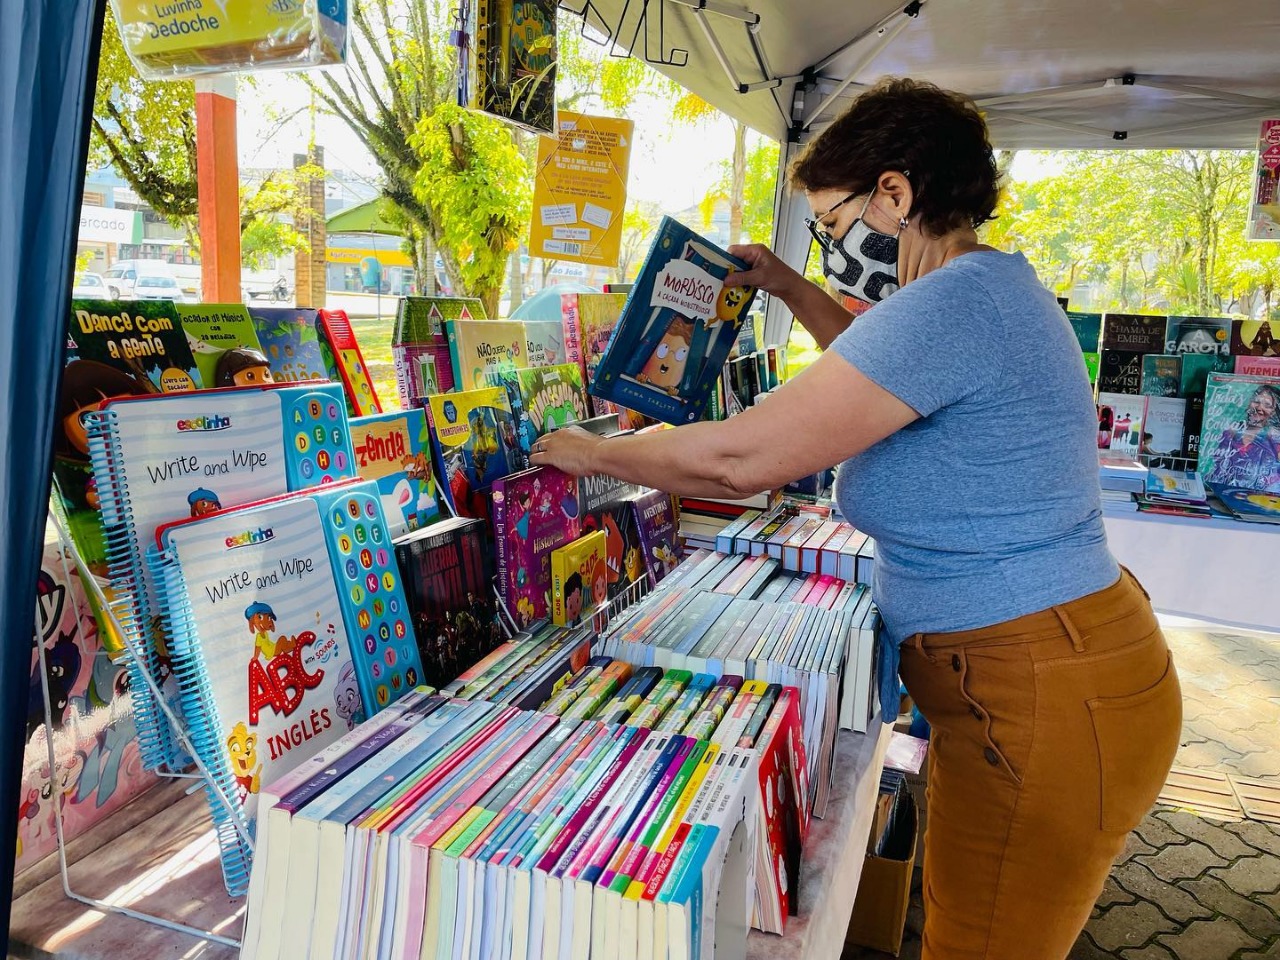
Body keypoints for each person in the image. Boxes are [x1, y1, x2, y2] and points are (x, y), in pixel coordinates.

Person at [532, 78, 1182, 960]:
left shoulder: (954, 304)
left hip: (1042, 691)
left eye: (834, 228)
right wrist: (790, 286)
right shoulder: (975, 294)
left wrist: (594, 451)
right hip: (1043, 671)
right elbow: (873, 364)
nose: (835, 250)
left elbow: (739, 458)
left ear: (894, 193)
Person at [1204, 383, 1280, 492]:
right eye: (1256, 402)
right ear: (1249, 403)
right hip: (1224, 494)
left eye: (1267, 405)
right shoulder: (1231, 431)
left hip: (1260, 500)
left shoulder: (1274, 439)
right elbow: (1217, 466)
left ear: (1273, 412)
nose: (1259, 407)